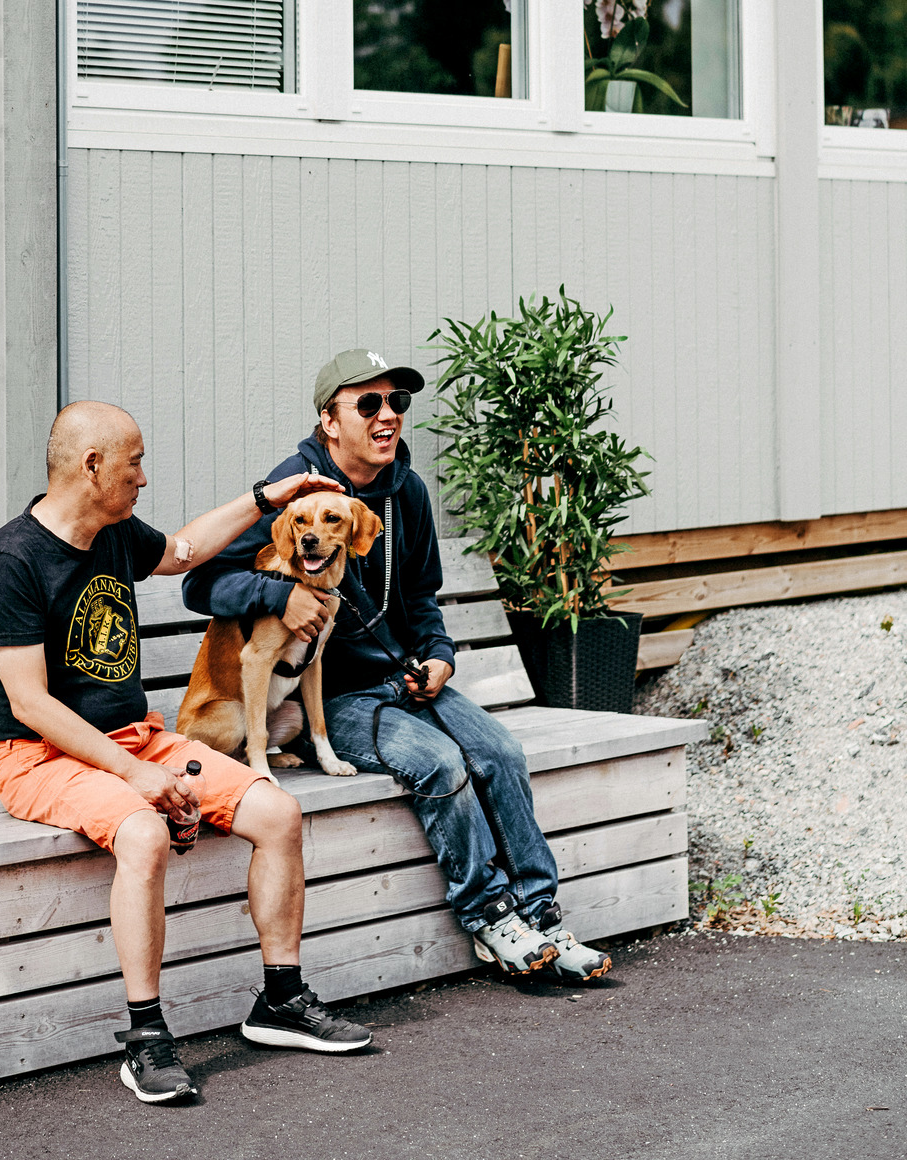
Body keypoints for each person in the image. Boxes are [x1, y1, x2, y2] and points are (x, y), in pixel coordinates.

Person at [0, 400, 371, 1107]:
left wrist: (265, 499)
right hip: (39, 758)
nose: (144, 478)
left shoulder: (116, 531)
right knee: (144, 833)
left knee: (276, 812)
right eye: (136, 463)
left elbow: (185, 552)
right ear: (93, 467)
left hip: (141, 737)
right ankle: (147, 1037)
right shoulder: (13, 559)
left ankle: (280, 1000)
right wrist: (134, 775)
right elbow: (29, 704)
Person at [183, 348, 611, 984]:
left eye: (397, 403)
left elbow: (419, 597)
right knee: (440, 763)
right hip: (333, 699)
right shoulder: (297, 490)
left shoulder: (407, 490)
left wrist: (438, 655)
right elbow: (202, 585)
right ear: (330, 421)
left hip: (404, 676)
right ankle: (492, 918)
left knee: (499, 751)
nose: (388, 416)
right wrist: (280, 594)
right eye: (369, 404)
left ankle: (542, 918)